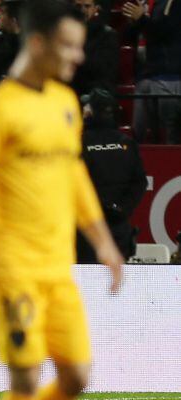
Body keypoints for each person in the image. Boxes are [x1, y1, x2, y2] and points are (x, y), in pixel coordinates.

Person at [0, 1, 123, 400]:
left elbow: (74, 177)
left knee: (76, 376)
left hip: (58, 266)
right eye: (68, 46)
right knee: (27, 378)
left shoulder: (65, 102)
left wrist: (103, 242)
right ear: (37, 43)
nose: (78, 56)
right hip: (11, 265)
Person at [77, 88, 147, 262]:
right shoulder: (127, 143)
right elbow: (140, 182)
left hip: (88, 230)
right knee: (116, 278)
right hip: (119, 228)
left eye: (87, 107)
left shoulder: (78, 143)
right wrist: (120, 208)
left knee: (87, 278)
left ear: (91, 112)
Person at [123, 0, 181, 144]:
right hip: (145, 76)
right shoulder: (145, 3)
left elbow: (166, 31)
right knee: (139, 134)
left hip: (169, 76)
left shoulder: (175, 3)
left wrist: (141, 18)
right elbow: (128, 37)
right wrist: (133, 22)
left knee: (168, 134)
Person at [71, 0, 118, 95]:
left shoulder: (107, 35)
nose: (82, 10)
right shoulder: (65, 33)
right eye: (78, 6)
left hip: (96, 91)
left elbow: (103, 71)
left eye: (87, 6)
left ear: (96, 9)